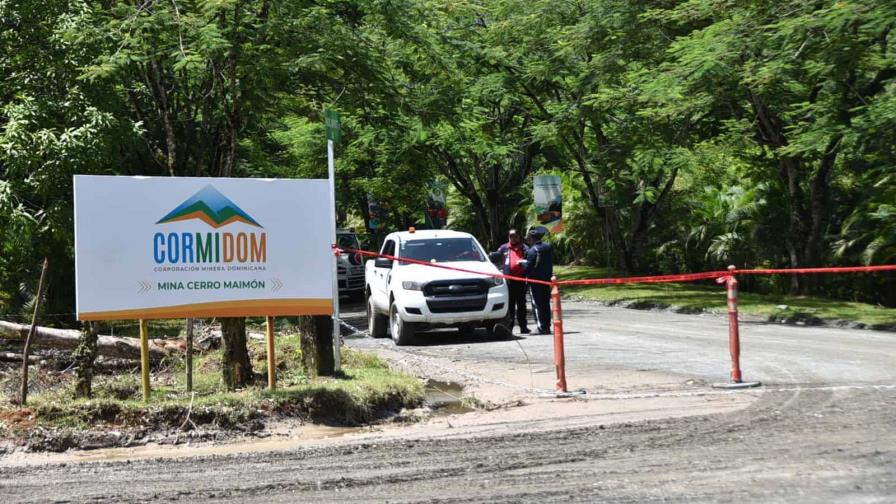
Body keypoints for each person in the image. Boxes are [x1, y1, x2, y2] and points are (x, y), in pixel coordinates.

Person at [495, 229, 530, 334]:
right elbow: (496, 259)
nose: (513, 238)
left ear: (519, 237)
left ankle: (523, 327)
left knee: (521, 305)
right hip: (508, 282)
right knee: (510, 305)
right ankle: (509, 327)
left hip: (521, 280)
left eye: (515, 236)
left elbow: (529, 261)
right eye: (511, 236)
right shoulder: (503, 248)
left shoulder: (525, 248)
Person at [525, 226, 553, 334]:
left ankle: (541, 327)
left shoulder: (533, 250)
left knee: (537, 304)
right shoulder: (548, 247)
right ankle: (547, 326)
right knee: (545, 304)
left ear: (532, 238)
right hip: (546, 280)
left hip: (535, 281)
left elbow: (529, 267)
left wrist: (521, 264)